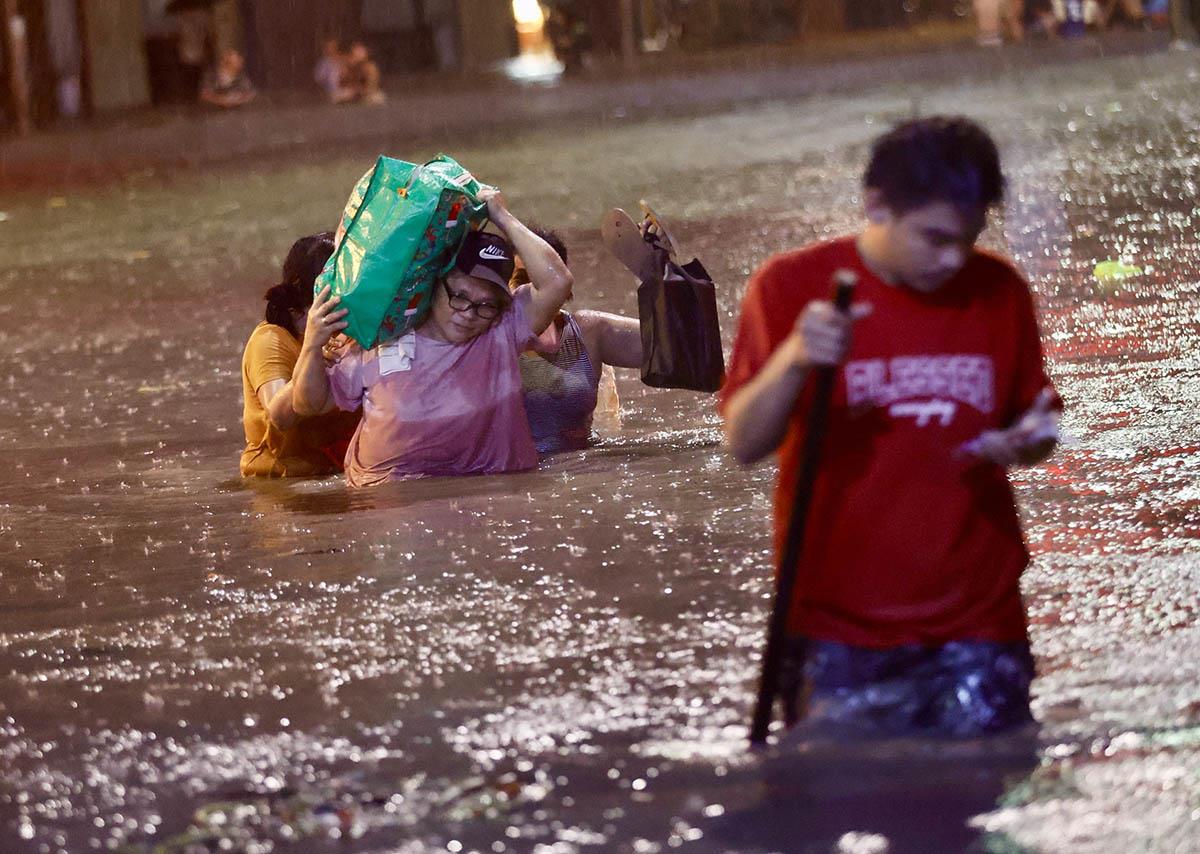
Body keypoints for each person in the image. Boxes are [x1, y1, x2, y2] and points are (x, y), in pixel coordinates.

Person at [720, 116, 1061, 736]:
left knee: (984, 804)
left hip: (980, 619)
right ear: (876, 204)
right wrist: (796, 356)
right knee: (841, 805)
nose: (954, 259)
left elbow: (1033, 428)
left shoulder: (999, 290)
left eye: (969, 237)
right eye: (933, 238)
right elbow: (744, 443)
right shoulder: (792, 285)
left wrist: (1033, 441)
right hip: (836, 627)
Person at [292, 191, 573, 486]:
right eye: (459, 296)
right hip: (389, 497)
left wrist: (500, 216)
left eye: (485, 304)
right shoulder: (384, 331)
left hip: (491, 490)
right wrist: (311, 344)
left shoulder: (503, 326)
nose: (469, 313)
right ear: (433, 286)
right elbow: (308, 405)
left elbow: (559, 281)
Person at [240, 232, 360, 478]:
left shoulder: (346, 334)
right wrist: (312, 355)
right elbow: (278, 417)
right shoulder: (271, 340)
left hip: (331, 473)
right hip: (280, 482)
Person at [513, 227, 640, 454]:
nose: (531, 291)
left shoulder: (588, 331)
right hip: (518, 480)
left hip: (583, 470)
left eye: (541, 281)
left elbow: (677, 347)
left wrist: (657, 270)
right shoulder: (485, 342)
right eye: (521, 279)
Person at [314, 38, 354, 104]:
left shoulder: (343, 59)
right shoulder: (323, 62)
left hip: (345, 89)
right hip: (331, 91)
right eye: (328, 47)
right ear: (324, 49)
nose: (330, 49)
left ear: (336, 48)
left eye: (333, 47)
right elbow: (319, 79)